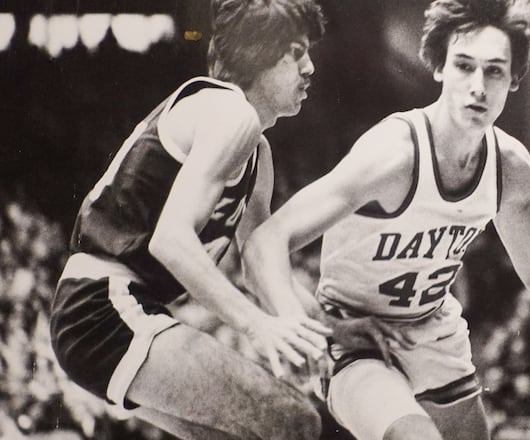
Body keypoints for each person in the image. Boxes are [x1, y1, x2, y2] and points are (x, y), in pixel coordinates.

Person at [244, 0, 530, 439]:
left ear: (514, 80)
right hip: (355, 332)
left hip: (431, 329)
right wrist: (308, 327)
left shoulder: (510, 166)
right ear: (440, 68)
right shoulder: (392, 155)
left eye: (494, 71)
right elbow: (267, 241)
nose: (478, 86)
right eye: (464, 66)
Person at [49, 0, 331, 438]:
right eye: (296, 52)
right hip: (102, 305)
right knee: (294, 420)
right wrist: (258, 327)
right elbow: (171, 241)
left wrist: (322, 333)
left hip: (117, 309)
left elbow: (260, 265)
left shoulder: (257, 151)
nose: (310, 68)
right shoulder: (229, 112)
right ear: (258, 53)